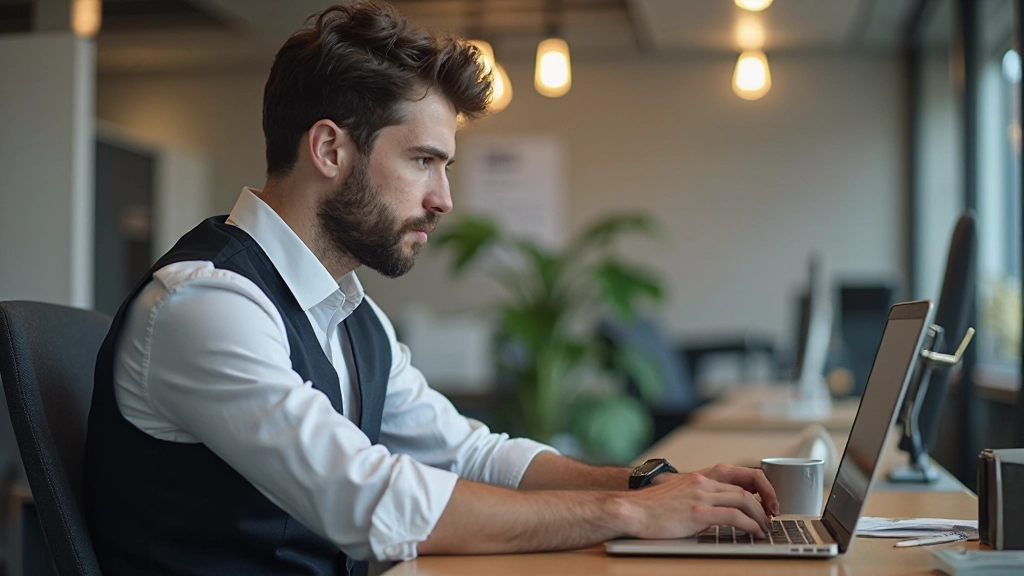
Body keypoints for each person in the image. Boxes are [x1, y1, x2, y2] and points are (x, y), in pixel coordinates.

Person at [83, 1, 779, 574]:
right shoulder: (205, 306)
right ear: (330, 150)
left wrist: (644, 483)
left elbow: (470, 453)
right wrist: (627, 515)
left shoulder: (350, 317)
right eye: (423, 161)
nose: (445, 199)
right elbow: (373, 504)